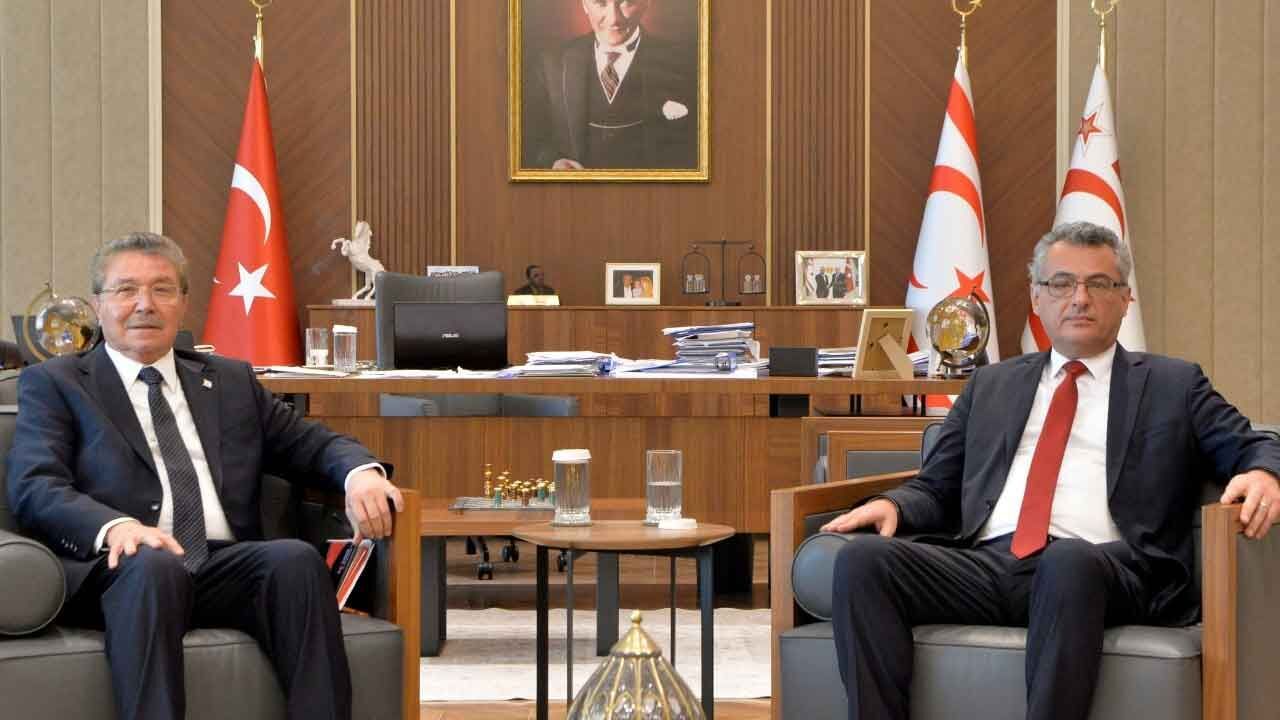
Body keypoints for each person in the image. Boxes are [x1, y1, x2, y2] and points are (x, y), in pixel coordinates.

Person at [820, 221, 1280, 720]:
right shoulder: (990, 385)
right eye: (1061, 283)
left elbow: (1255, 445)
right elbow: (937, 485)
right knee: (864, 561)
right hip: (988, 563)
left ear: (1125, 299)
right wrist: (893, 504)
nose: (1079, 298)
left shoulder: (1174, 384)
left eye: (1098, 284)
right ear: (1036, 298)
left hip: (1108, 569)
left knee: (1067, 561)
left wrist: (1264, 473)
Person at [5, 232, 403, 720]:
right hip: (120, 569)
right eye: (126, 290)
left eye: (162, 289)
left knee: (294, 560)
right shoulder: (57, 383)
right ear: (99, 304)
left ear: (183, 303)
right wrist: (117, 527)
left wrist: (360, 474)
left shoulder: (230, 381)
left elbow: (312, 444)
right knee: (153, 566)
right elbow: (36, 485)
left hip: (219, 566)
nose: (145, 304)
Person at [523, 0, 698, 170]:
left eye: (626, 2)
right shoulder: (552, 63)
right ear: (584, 4)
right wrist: (554, 161)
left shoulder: (686, 64)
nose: (614, 19)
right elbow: (531, 138)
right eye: (600, 3)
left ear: (646, 2)